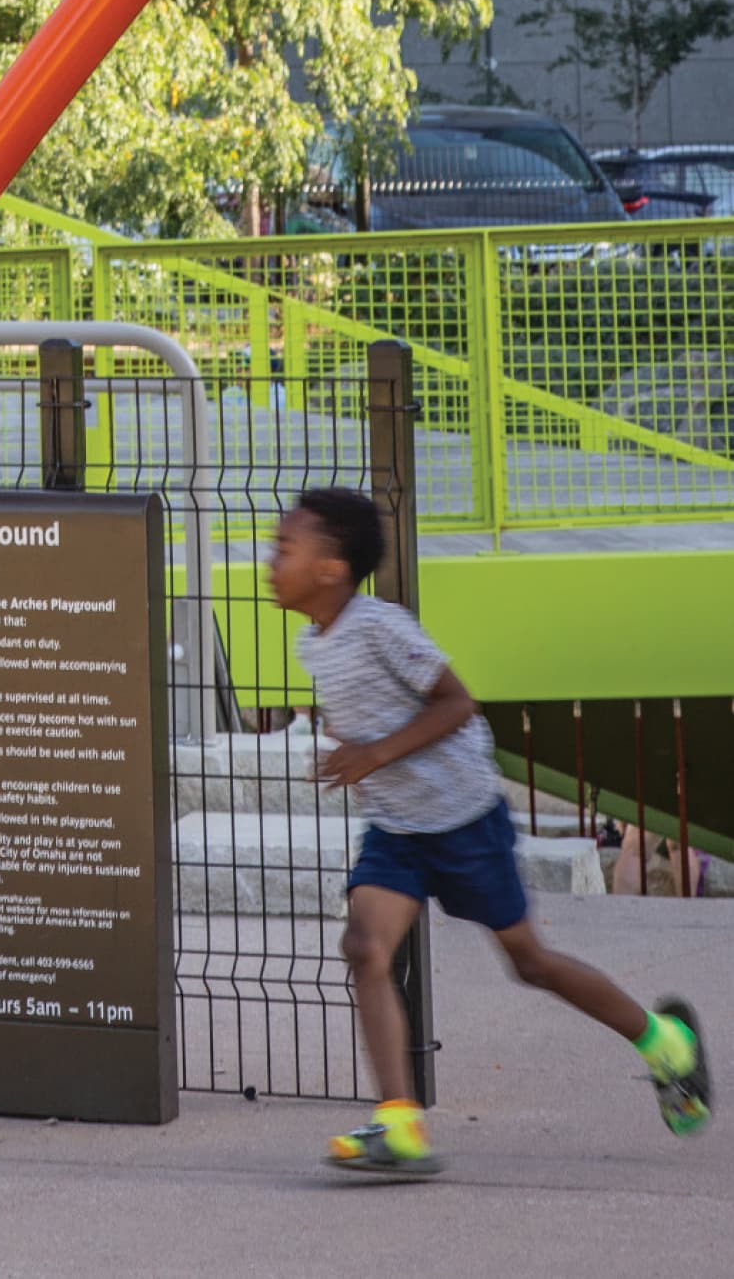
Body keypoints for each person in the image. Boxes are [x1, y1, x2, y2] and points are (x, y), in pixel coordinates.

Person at [267, 486, 712, 1177]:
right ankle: (401, 1125)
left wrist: (374, 753)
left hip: (463, 818)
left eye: (284, 548)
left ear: (330, 568)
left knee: (530, 962)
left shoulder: (381, 627)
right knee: (363, 947)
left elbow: (457, 702)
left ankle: (665, 1045)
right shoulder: (312, 643)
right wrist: (354, 744)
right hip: (397, 828)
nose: (271, 560)